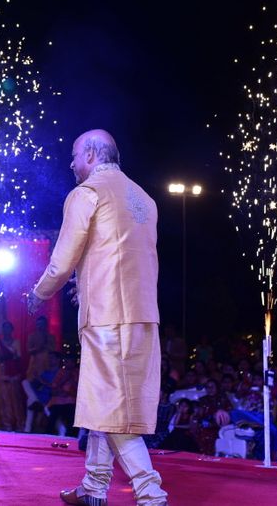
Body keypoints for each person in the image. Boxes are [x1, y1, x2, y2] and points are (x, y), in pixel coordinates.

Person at [28, 129, 168, 506]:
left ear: (91, 153)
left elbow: (62, 260)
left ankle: (150, 492)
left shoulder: (87, 194)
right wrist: (86, 281)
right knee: (103, 401)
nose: (71, 164)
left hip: (107, 319)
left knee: (111, 408)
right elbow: (121, 256)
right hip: (143, 317)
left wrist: (38, 293)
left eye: (74, 155)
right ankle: (93, 487)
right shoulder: (145, 198)